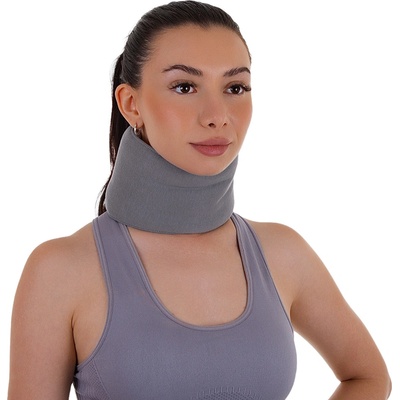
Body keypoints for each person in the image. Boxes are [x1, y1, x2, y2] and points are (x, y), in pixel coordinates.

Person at [8, 1, 391, 399]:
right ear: (131, 104)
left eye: (235, 88)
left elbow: (367, 376)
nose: (217, 115)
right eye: (185, 87)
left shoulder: (284, 254)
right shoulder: (59, 271)